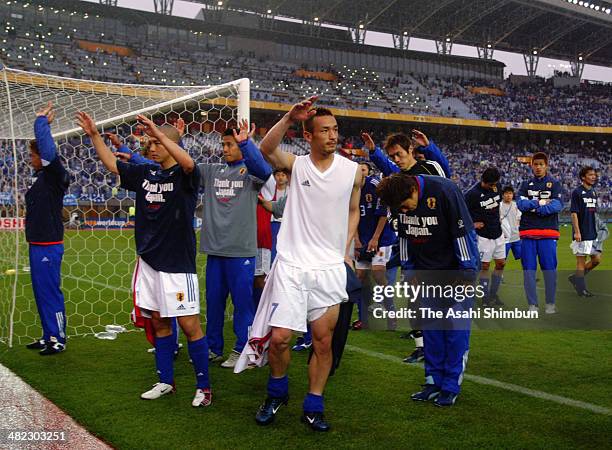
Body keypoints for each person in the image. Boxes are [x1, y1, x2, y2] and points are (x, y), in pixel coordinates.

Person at [240, 97, 361, 432]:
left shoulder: (352, 171)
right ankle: (277, 391)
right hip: (292, 265)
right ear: (309, 136)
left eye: (335, 129)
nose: (332, 136)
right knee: (279, 338)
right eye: (324, 130)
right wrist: (290, 117)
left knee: (323, 341)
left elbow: (354, 210)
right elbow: (265, 148)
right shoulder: (297, 165)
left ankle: (314, 404)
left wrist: (344, 247)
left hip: (329, 269)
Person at [76, 111, 211, 407]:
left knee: (189, 326)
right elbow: (112, 164)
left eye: (156, 143)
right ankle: (166, 381)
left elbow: (187, 162)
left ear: (170, 143)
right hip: (149, 263)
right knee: (160, 323)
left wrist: (160, 132)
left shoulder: (186, 175)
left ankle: (204, 387)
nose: (151, 148)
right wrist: (94, 135)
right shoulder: (147, 174)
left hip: (177, 265)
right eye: (149, 143)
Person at [376, 173, 479, 407]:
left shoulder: (445, 191)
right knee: (431, 332)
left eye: (404, 206)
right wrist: (409, 272)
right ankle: (433, 381)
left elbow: (462, 234)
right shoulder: (399, 202)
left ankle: (451, 385)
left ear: (414, 191)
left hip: (455, 274)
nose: (402, 212)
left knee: (455, 333)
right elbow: (403, 239)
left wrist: (466, 273)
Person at [363, 131, 447, 363]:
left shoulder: (430, 168)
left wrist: (429, 147)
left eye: (399, 154)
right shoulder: (398, 176)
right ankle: (422, 346)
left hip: (435, 241)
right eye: (393, 156)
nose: (396, 159)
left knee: (436, 297)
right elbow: (387, 168)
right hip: (409, 243)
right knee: (413, 294)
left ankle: (439, 346)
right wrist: (373, 152)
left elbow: (446, 181)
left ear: (411, 149)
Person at [198, 122, 271, 368]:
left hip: (241, 251)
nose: (225, 149)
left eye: (229, 145)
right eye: (224, 144)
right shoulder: (212, 172)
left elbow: (264, 170)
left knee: (242, 304)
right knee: (215, 304)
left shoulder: (250, 175)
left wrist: (245, 143)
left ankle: (242, 348)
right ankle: (213, 347)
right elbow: (182, 167)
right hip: (215, 251)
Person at [25, 102, 71, 356]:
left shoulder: (54, 174)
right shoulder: (41, 178)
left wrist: (40, 123)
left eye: (33, 155)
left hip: (48, 245)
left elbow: (48, 153)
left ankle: (58, 337)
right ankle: (47, 334)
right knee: (41, 292)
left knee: (50, 291)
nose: (30, 159)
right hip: (37, 243)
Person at [353, 161, 397, 331]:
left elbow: (383, 214)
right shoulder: (352, 189)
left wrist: (375, 238)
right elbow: (352, 214)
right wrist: (356, 239)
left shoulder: (375, 186)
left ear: (367, 172)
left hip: (381, 238)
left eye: (363, 170)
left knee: (379, 275)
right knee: (360, 277)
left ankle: (391, 314)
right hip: (362, 239)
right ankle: (363, 318)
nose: (360, 173)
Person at [517, 152, 562, 314]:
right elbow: (521, 205)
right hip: (528, 233)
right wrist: (541, 203)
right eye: (535, 164)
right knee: (529, 272)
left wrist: (536, 208)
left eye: (541, 164)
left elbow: (557, 206)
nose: (538, 167)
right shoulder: (524, 185)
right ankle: (532, 305)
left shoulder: (555, 184)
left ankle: (550, 303)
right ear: (531, 166)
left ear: (546, 166)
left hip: (548, 233)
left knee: (550, 271)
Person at [464, 168, 505, 306]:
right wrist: (473, 224)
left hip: (497, 233)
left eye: (495, 184)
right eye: (491, 185)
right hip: (483, 236)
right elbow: (461, 212)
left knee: (501, 264)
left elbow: (497, 205)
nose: (494, 187)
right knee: (485, 266)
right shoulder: (472, 194)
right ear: (484, 181)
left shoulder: (497, 187)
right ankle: (485, 296)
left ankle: (493, 294)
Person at [568, 166, 601, 297]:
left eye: (594, 175)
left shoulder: (593, 192)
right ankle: (581, 289)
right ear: (583, 177)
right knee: (581, 261)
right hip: (581, 232)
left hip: (592, 232)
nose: (594, 177)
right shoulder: (577, 192)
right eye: (590, 175)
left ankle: (576, 278)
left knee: (597, 259)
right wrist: (577, 232)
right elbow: (574, 213)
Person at [270, 169, 289, 263]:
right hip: (271, 223)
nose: (280, 178)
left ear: (287, 177)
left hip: (284, 225)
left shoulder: (291, 190)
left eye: (283, 175)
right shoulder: (269, 189)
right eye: (278, 175)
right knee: (272, 249)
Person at [500, 186, 522, 261]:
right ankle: (499, 273)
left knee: (523, 258)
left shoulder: (516, 205)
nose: (509, 195)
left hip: (516, 237)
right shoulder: (499, 206)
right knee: (501, 260)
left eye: (510, 193)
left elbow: (519, 218)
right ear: (502, 195)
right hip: (504, 238)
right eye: (506, 193)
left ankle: (526, 273)